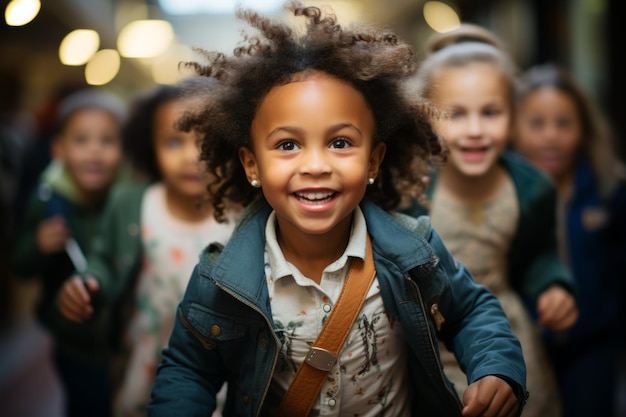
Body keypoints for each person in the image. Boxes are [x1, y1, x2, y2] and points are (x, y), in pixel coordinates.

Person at [140, 3, 528, 416]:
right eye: (288, 145)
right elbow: (189, 370)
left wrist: (496, 368)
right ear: (252, 164)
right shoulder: (220, 279)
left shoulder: (413, 252)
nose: (315, 165)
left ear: (374, 160)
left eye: (340, 142)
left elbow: (469, 310)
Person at [400, 24, 579, 417]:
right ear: (427, 117)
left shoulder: (531, 187)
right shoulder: (411, 187)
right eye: (457, 114)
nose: (476, 130)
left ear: (514, 116)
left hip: (510, 339)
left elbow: (538, 254)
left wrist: (552, 286)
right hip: (431, 349)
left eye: (491, 112)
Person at [57, 78, 240, 417]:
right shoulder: (131, 204)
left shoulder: (244, 215)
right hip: (142, 360)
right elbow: (103, 259)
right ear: (150, 146)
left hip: (219, 373)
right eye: (174, 142)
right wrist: (88, 283)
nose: (190, 157)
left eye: (207, 144)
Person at [512, 62, 626, 417]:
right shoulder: (501, 198)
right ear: (514, 130)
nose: (550, 136)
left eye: (563, 124)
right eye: (537, 124)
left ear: (583, 129)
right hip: (525, 348)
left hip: (595, 347)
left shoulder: (608, 189)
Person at [10, 88, 127, 417]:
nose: (94, 152)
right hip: (72, 339)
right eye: (81, 140)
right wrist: (38, 245)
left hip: (123, 338)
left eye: (107, 141)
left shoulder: (127, 200)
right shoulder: (47, 201)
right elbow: (20, 267)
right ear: (58, 150)